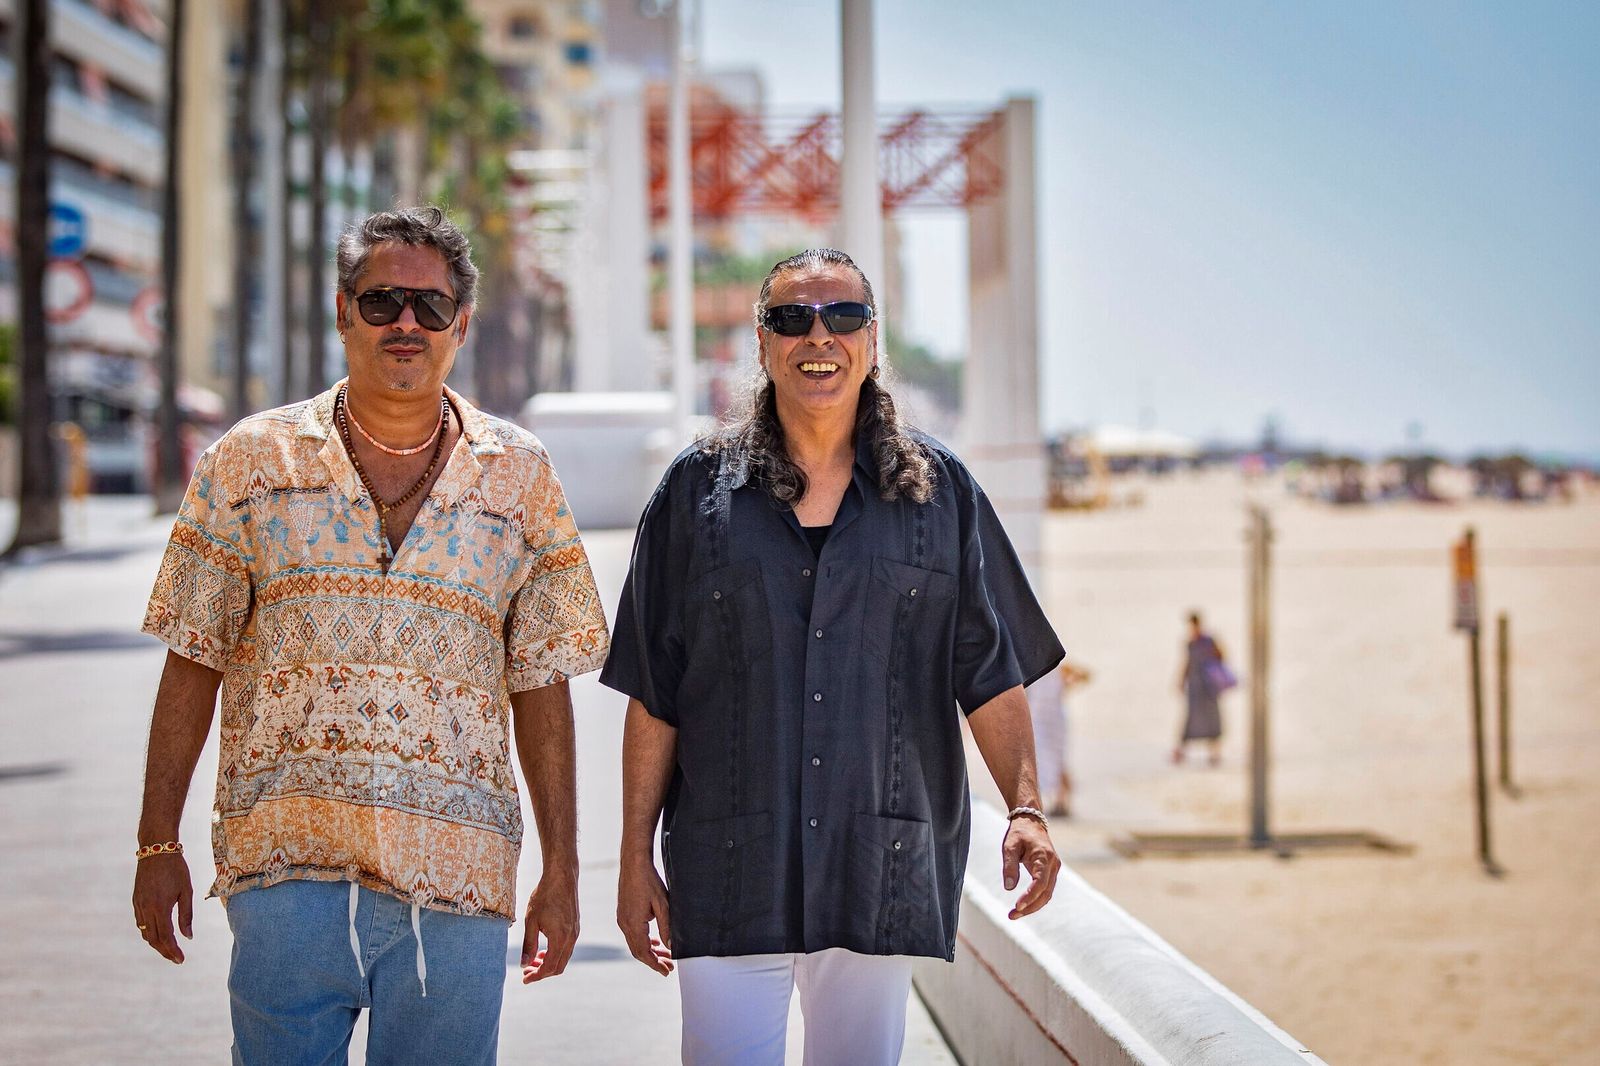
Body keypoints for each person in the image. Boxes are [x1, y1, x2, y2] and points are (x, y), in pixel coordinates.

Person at [131, 206, 610, 1064]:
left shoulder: (523, 477)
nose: (405, 324)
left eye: (430, 307)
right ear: (342, 310)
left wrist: (562, 872)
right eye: (383, 300)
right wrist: (156, 841)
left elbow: (543, 684)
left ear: (461, 324)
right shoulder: (250, 462)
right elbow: (191, 656)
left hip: (458, 878)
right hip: (287, 871)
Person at [604, 248, 1065, 1066]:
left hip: (875, 868)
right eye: (792, 318)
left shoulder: (941, 493)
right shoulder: (693, 494)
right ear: (762, 343)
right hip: (728, 868)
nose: (819, 336)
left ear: (872, 340)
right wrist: (634, 854)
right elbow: (655, 693)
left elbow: (989, 673)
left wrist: (1026, 807)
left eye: (842, 316)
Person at [1027, 659, 1091, 817]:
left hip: (1054, 718)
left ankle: (1063, 800)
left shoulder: (1057, 668)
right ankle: (1054, 800)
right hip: (1038, 718)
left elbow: (1085, 675)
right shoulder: (1029, 669)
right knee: (1043, 758)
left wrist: (1066, 686)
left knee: (1058, 759)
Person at [1174, 611, 1227, 766]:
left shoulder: (1208, 640)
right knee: (1191, 718)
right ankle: (1181, 751)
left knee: (1211, 720)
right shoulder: (1190, 643)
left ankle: (1214, 753)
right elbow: (1187, 663)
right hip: (1195, 686)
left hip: (1208, 686)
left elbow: (1221, 656)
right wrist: (1181, 681)